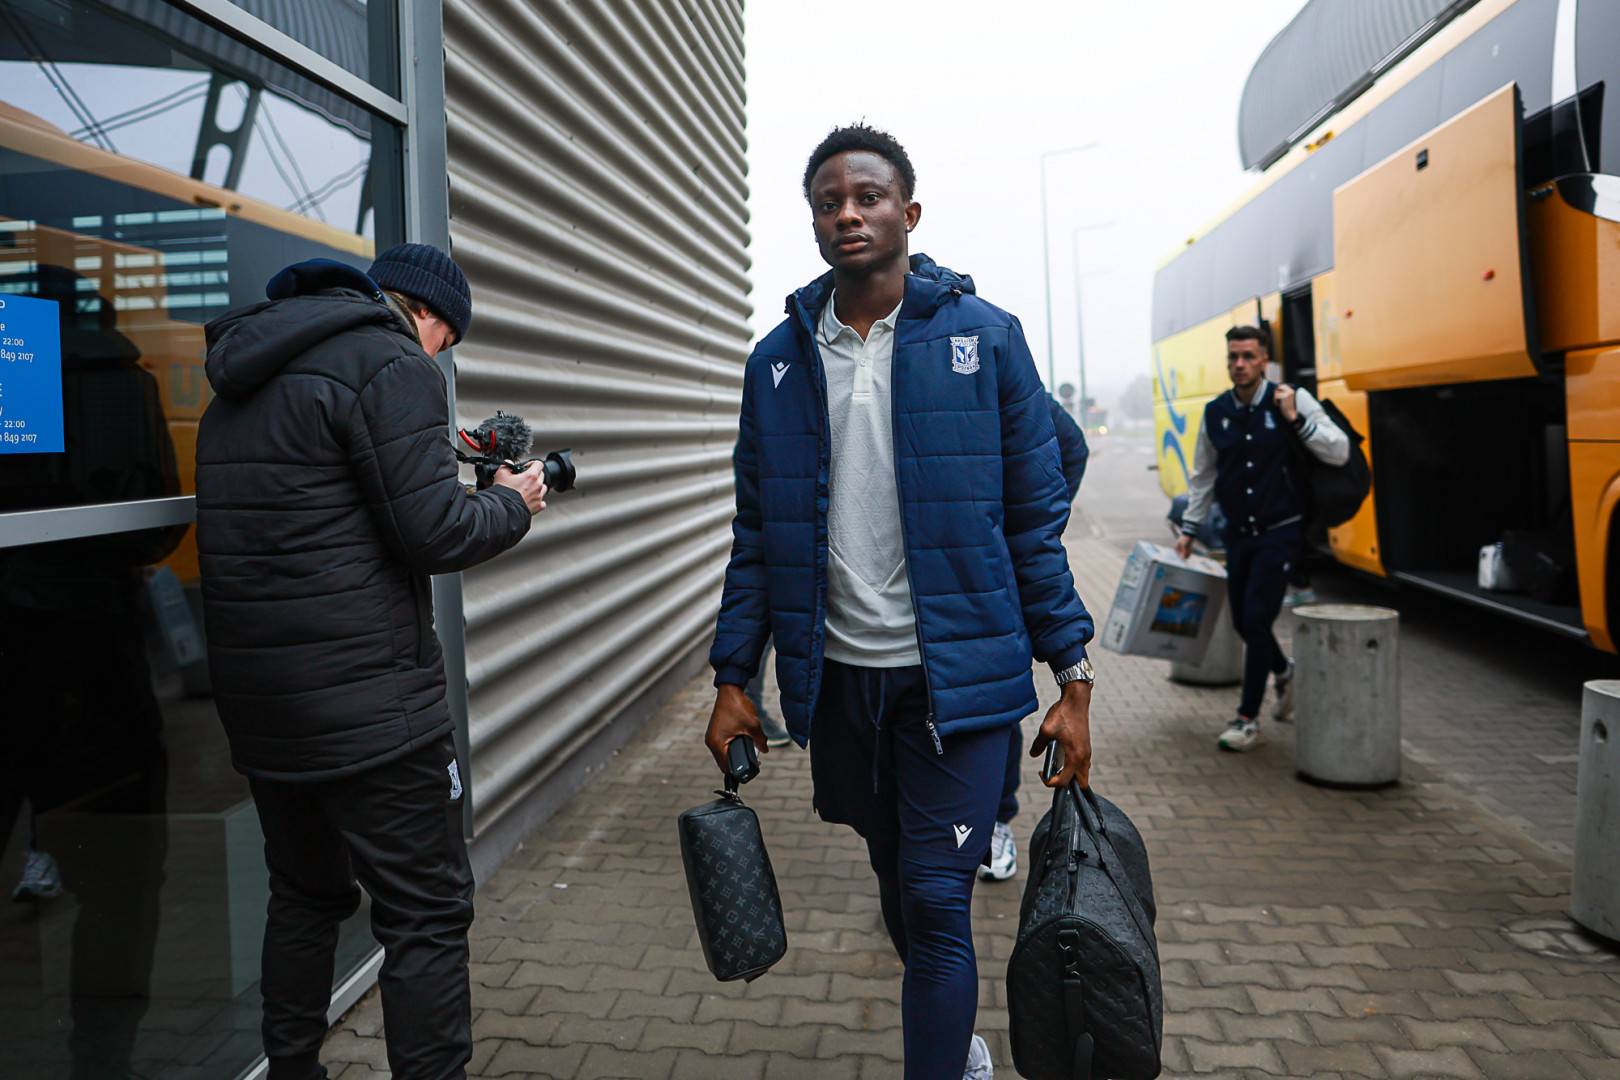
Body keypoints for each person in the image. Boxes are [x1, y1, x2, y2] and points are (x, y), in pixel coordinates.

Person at [705, 124, 1096, 1080]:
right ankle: (952, 1039)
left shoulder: (985, 338)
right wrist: (732, 677)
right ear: (814, 223)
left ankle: (943, 1061)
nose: (849, 212)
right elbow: (758, 535)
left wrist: (1073, 675)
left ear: (908, 213)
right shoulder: (778, 363)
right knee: (897, 881)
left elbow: (1034, 520)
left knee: (935, 896)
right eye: (830, 202)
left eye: (869, 196)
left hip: (956, 684)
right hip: (842, 687)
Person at [195, 244, 547, 1080]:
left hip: (265, 709)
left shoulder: (242, 374)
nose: (440, 360)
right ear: (428, 315)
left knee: (305, 895)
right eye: (446, 343)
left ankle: (292, 1071)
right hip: (374, 715)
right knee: (426, 913)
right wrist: (511, 502)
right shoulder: (391, 363)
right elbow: (436, 534)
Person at [1174, 325, 1348, 752]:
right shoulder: (1216, 412)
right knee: (1243, 621)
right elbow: (1203, 475)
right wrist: (1190, 529)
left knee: (1255, 619)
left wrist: (1295, 419)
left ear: (1264, 360)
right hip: (1238, 534)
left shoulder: (1291, 400)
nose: (1240, 364)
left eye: (1249, 356)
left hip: (1281, 532)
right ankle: (1285, 673)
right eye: (1233, 357)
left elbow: (1339, 449)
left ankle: (1247, 719)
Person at [981, 394, 1088, 882]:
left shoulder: (1000, 376)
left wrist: (1038, 516)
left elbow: (1073, 446)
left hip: (996, 580)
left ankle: (998, 823)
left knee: (997, 704)